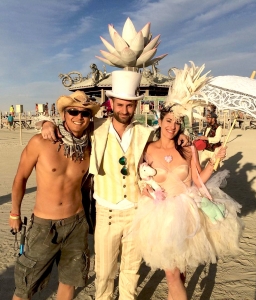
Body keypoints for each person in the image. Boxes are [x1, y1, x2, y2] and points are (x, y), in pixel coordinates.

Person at [39, 70, 190, 299]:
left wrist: (182, 137)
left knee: (131, 271)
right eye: (120, 105)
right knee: (104, 272)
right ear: (112, 104)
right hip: (106, 212)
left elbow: (165, 142)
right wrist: (46, 122)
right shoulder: (95, 127)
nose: (125, 110)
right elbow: (72, 124)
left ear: (136, 107)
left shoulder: (144, 133)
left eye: (129, 106)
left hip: (136, 211)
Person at [132, 107, 242, 299]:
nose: (172, 126)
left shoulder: (188, 149)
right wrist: (143, 187)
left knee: (177, 274)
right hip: (159, 217)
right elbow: (137, 175)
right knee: (173, 274)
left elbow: (198, 181)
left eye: (177, 122)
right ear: (160, 121)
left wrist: (214, 161)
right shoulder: (147, 148)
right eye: (168, 120)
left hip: (186, 214)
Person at [9, 91, 100, 300]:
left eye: (85, 113)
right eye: (73, 112)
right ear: (64, 114)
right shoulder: (41, 142)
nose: (79, 117)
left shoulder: (89, 145)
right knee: (26, 284)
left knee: (70, 280)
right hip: (44, 225)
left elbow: (121, 123)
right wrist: (15, 213)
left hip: (77, 223)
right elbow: (20, 178)